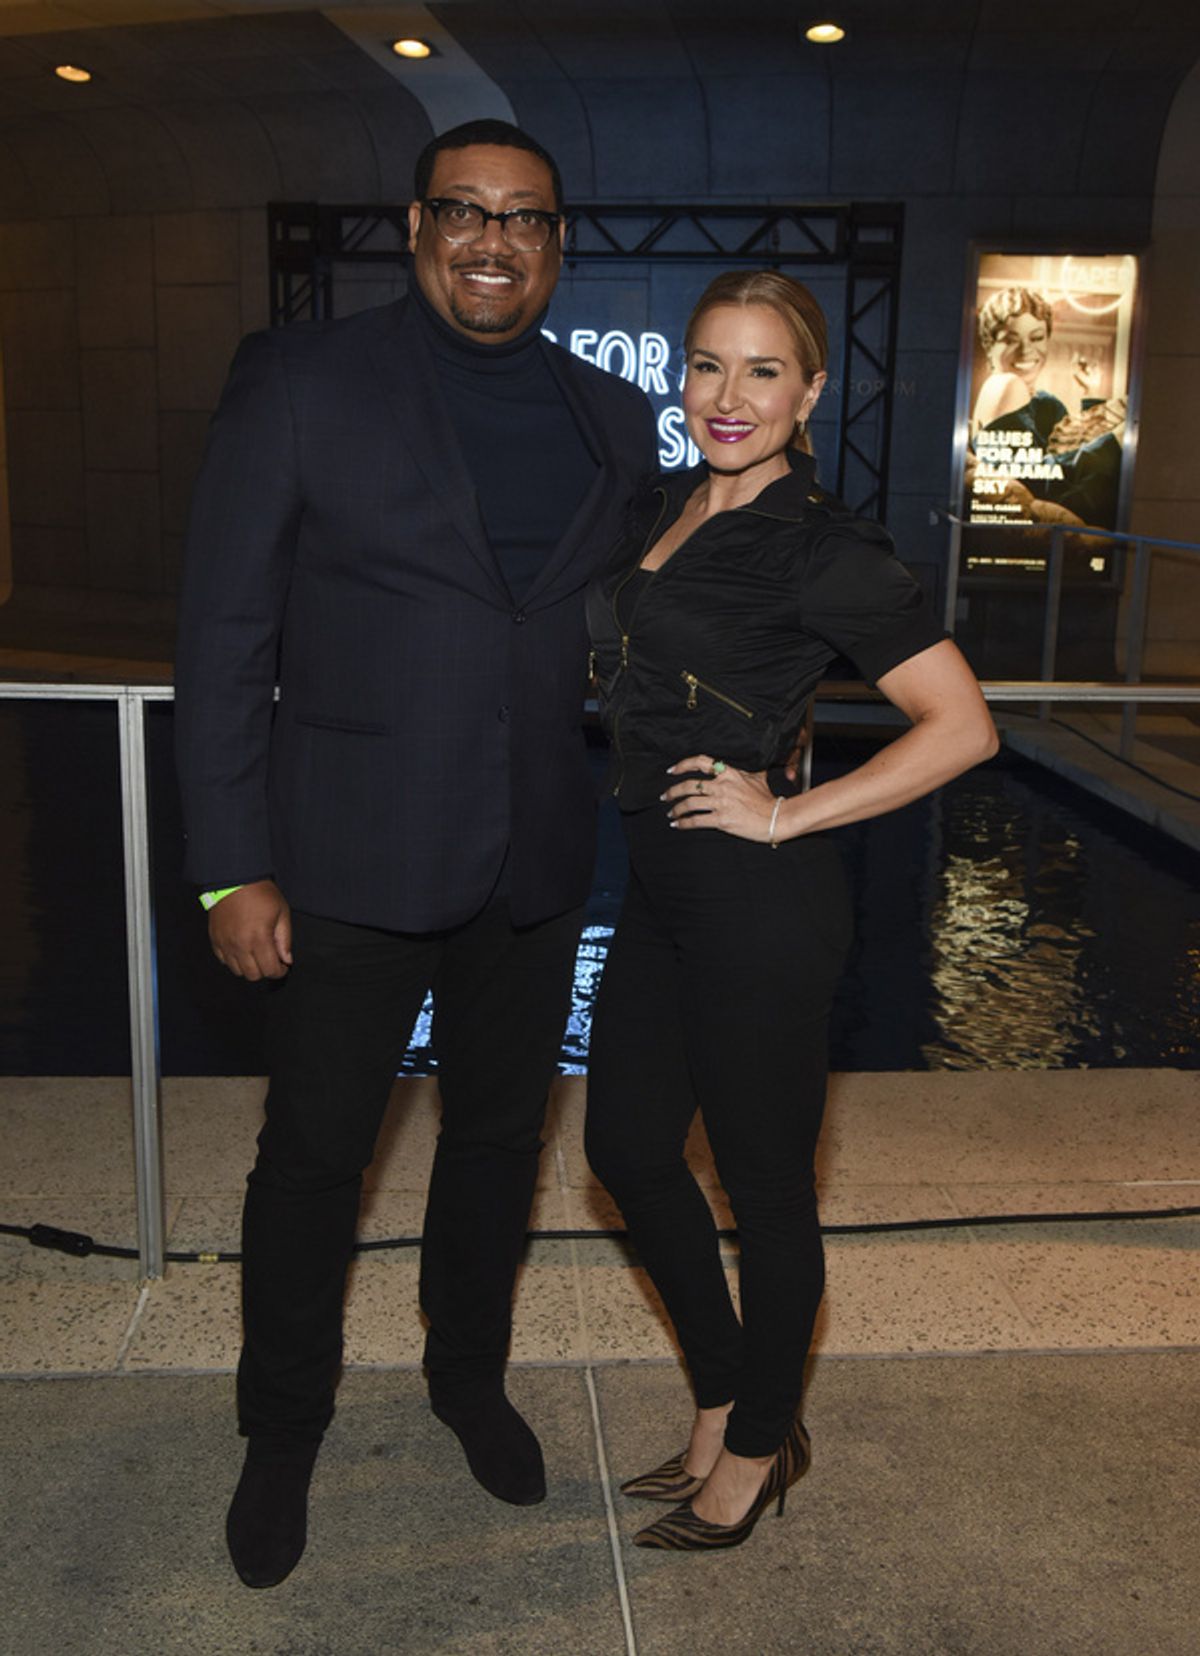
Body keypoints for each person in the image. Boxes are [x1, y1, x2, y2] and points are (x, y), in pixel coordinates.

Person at [174, 117, 656, 1588]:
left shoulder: (606, 419)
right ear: (415, 225)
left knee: (501, 1147)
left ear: (557, 245)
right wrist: (227, 867)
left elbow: (626, 623)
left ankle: (466, 1381)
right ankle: (281, 1429)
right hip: (341, 867)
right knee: (314, 1160)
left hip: (530, 865)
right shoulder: (304, 383)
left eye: (523, 218)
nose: (492, 240)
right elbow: (221, 639)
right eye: (465, 211)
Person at [584, 270, 997, 1552]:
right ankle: (724, 1390)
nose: (729, 395)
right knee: (627, 1152)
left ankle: (757, 1446)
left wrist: (783, 811)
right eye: (709, 364)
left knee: (766, 1196)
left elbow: (964, 728)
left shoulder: (826, 544)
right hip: (659, 884)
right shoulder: (660, 502)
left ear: (811, 391)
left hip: (759, 903)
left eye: (763, 371)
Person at [968, 285, 1125, 528]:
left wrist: (1091, 393)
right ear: (989, 346)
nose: (1026, 350)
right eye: (1010, 340)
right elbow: (1036, 485)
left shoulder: (1040, 400)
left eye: (1037, 337)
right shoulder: (1006, 385)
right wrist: (1114, 443)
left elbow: (1065, 456)